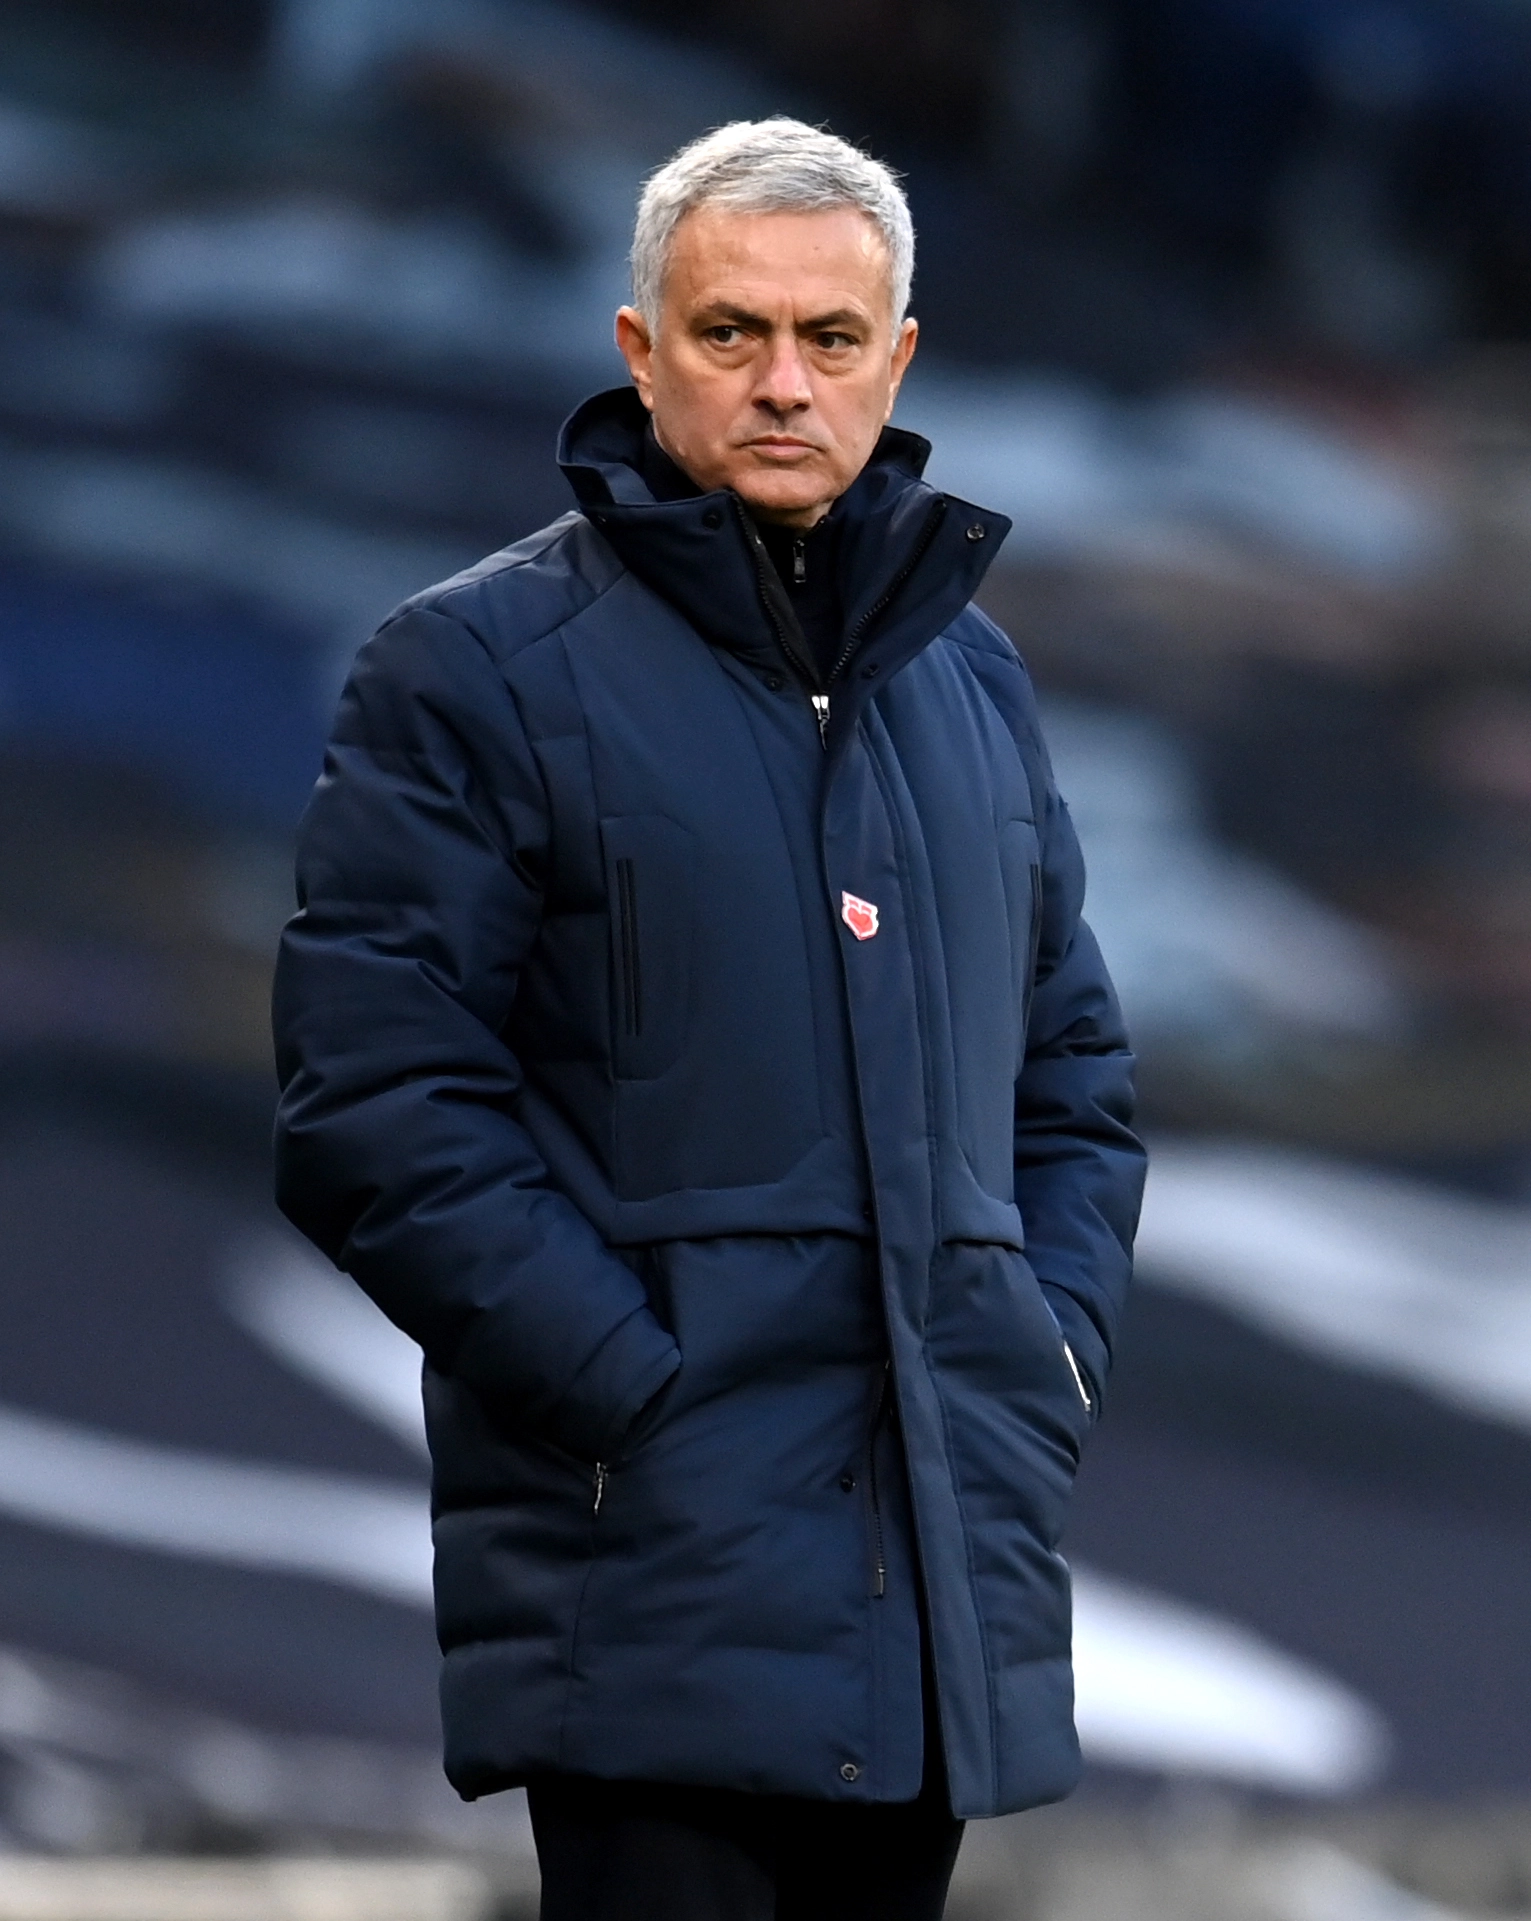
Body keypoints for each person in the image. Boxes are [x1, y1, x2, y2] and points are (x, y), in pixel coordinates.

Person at [272, 118, 1145, 1921]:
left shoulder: (970, 678)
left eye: (830, 338)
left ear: (897, 359)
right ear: (639, 348)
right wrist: (632, 1398)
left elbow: (1070, 1079)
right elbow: (373, 1102)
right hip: (648, 1573)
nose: (781, 382)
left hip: (930, 1582)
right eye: (730, 330)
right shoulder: (473, 667)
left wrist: (1043, 1353)